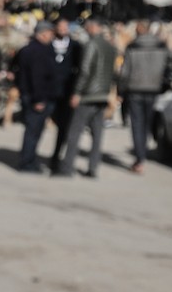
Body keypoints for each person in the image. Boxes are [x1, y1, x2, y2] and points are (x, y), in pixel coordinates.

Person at [55, 18, 117, 178]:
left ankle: (67, 167)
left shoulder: (91, 45)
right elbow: (113, 72)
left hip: (88, 95)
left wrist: (77, 92)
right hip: (102, 94)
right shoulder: (110, 47)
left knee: (74, 131)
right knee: (97, 134)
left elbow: (85, 70)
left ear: (92, 27)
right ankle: (93, 167)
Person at [119, 19, 170, 174]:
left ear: (139, 30)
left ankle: (140, 158)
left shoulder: (133, 46)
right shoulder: (161, 46)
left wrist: (120, 90)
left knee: (137, 124)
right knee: (147, 123)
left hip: (135, 90)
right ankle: (142, 153)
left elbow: (125, 72)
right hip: (153, 89)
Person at [14, 20, 60, 173]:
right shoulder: (37, 51)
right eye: (50, 33)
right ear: (42, 33)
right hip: (36, 97)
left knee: (34, 131)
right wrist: (39, 99)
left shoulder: (32, 49)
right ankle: (27, 163)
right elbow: (37, 77)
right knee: (33, 131)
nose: (52, 36)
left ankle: (30, 160)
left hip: (31, 95)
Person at [47, 18, 82, 172]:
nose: (62, 29)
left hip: (66, 94)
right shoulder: (47, 45)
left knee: (63, 128)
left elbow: (80, 69)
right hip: (48, 93)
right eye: (59, 26)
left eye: (65, 27)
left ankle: (56, 158)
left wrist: (76, 92)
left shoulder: (76, 47)